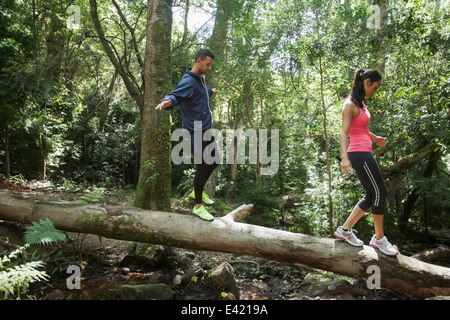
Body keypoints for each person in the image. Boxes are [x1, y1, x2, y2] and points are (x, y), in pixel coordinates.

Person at [334, 68, 398, 256]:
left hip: (365, 150)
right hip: (358, 154)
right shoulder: (349, 105)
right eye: (375, 87)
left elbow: (360, 126)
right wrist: (344, 158)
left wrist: (374, 136)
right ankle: (379, 239)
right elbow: (344, 132)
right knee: (381, 191)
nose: (375, 91)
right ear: (367, 82)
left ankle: (344, 230)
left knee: (371, 195)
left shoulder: (359, 103)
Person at [155, 49, 219, 222]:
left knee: (215, 162)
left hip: (205, 128)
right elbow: (176, 95)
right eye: (208, 64)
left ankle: (196, 191)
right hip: (195, 130)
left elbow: (200, 95)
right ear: (199, 61)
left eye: (211, 65)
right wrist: (167, 102)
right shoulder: (189, 81)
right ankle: (198, 206)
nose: (209, 68)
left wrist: (211, 92)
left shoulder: (200, 80)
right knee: (203, 165)